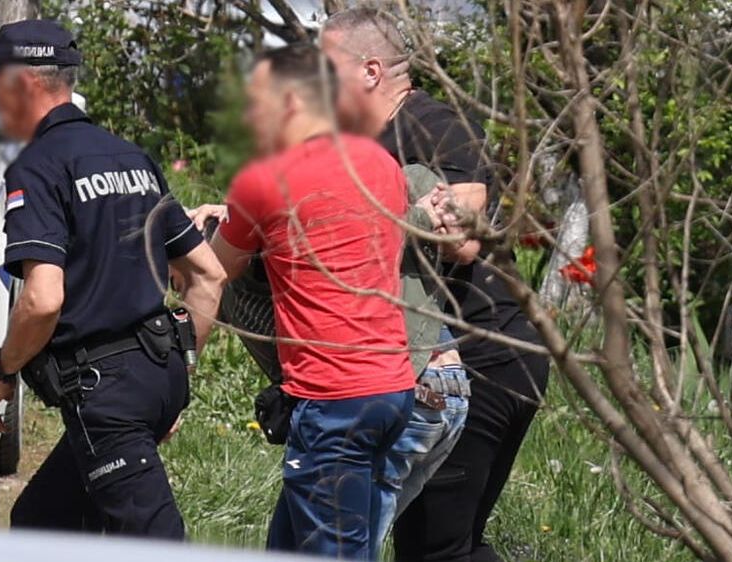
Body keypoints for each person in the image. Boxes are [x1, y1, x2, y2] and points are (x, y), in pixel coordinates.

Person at [0, 20, 226, 539]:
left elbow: (42, 300)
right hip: (155, 375)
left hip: (105, 393)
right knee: (41, 521)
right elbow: (208, 274)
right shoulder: (132, 157)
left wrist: (3, 370)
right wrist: (177, 378)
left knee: (155, 539)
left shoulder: (37, 167)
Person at [322, 9, 551, 562]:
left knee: (433, 547)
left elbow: (463, 240)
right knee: (452, 544)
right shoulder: (359, 140)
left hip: (484, 358)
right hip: (451, 362)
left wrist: (410, 217)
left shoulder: (435, 126)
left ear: (370, 70)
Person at [209, 44, 416, 560]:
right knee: (292, 543)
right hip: (391, 387)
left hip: (334, 398)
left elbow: (214, 269)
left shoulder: (265, 177)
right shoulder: (383, 163)